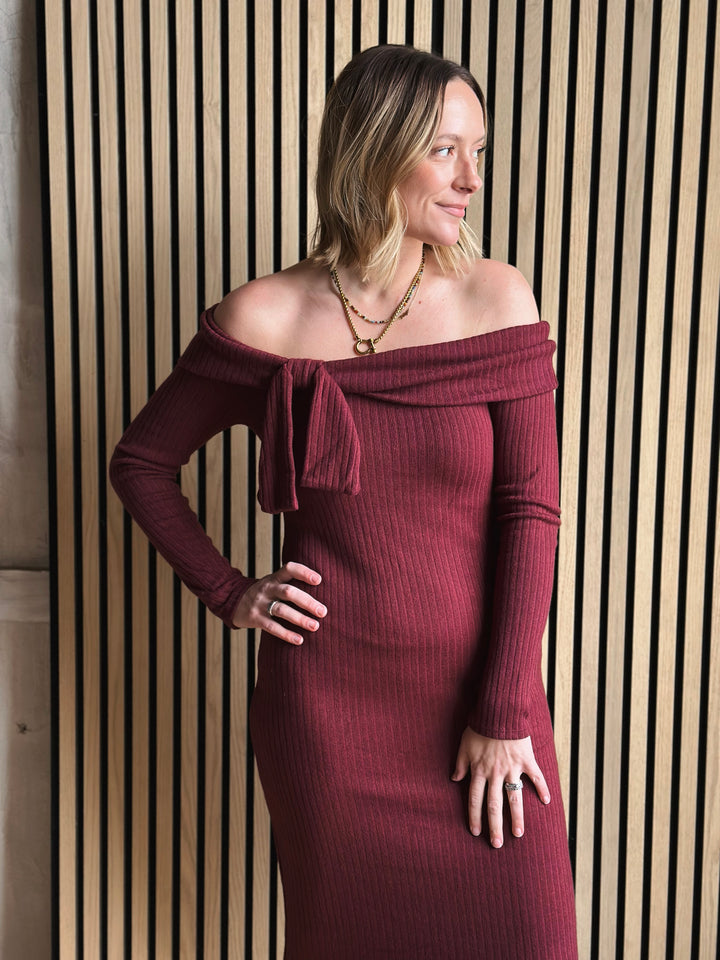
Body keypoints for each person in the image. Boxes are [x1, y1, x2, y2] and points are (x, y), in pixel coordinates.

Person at [111, 44, 578, 958]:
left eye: (478, 151)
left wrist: (504, 711)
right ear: (376, 147)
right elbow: (142, 463)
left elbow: (531, 510)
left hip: (480, 713)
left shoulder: (497, 299)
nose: (472, 179)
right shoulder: (265, 318)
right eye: (446, 150)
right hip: (329, 726)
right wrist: (229, 589)